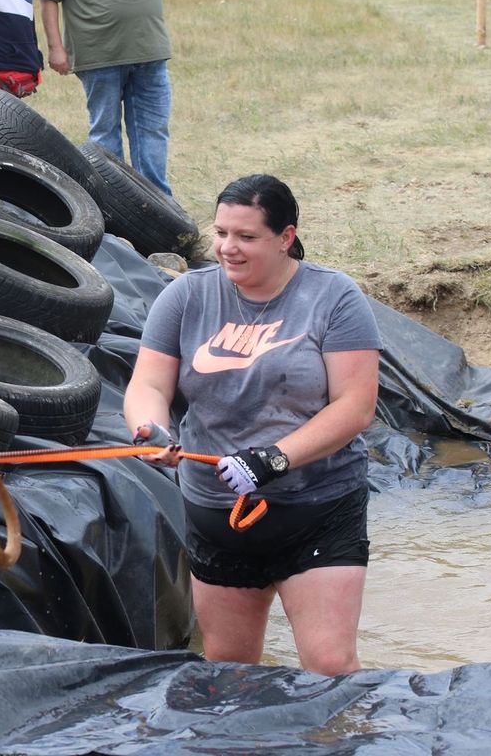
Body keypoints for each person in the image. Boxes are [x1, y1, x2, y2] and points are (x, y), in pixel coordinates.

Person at [123, 174, 382, 676]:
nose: (228, 248)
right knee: (229, 670)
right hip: (216, 512)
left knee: (329, 665)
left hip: (315, 508)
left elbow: (355, 407)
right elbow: (148, 386)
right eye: (220, 233)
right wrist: (150, 430)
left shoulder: (334, 298)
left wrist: (273, 458)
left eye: (246, 237)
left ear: (286, 237)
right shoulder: (185, 297)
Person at [39, 0, 173, 195]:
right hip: (99, 54)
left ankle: (159, 204)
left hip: (150, 49)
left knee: (153, 130)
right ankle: (115, 202)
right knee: (105, 132)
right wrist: (55, 47)